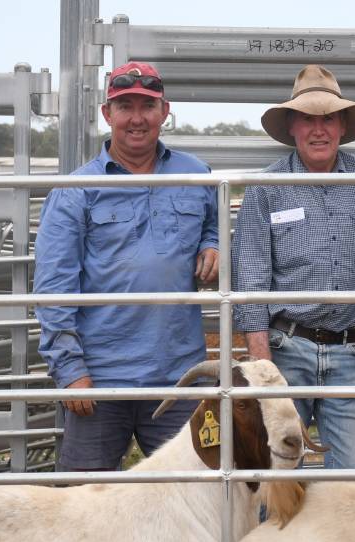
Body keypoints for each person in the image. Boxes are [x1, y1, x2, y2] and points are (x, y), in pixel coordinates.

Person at [34, 61, 220, 471]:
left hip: (180, 376)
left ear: (164, 111)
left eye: (148, 106)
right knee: (84, 502)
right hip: (100, 380)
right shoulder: (75, 191)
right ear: (107, 114)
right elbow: (53, 288)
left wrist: (212, 243)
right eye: (125, 107)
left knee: (198, 499)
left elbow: (215, 222)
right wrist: (70, 370)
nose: (137, 118)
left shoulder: (196, 174)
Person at [232, 65, 355, 469]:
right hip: (286, 350)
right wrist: (264, 371)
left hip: (347, 351)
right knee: (277, 476)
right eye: (308, 119)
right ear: (292, 127)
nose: (319, 130)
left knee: (353, 479)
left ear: (341, 126)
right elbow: (249, 275)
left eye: (328, 118)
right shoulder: (265, 187)